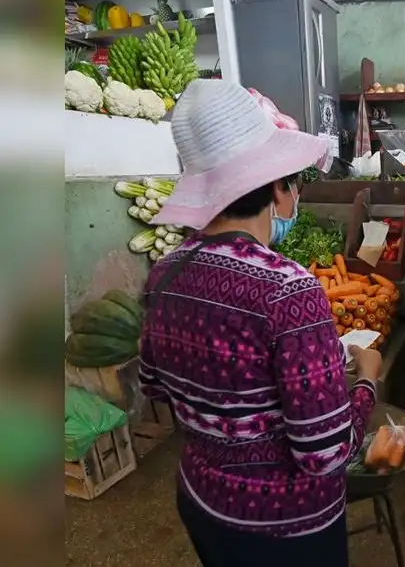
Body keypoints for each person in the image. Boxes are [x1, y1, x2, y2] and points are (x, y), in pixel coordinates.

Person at [137, 79, 381, 567]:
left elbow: (155, 386)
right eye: (292, 181)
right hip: (284, 527)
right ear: (277, 189)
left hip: (202, 502)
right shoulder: (289, 289)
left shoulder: (166, 272)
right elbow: (325, 454)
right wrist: (368, 381)